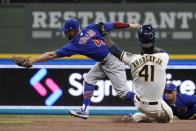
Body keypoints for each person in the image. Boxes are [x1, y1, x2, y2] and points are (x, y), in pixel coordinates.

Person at [12, 18, 140, 119]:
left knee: (123, 94)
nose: (65, 33)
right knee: (89, 79)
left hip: (112, 61)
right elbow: (113, 24)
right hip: (106, 59)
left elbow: (52, 55)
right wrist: (130, 25)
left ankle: (151, 102)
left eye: (66, 31)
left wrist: (31, 61)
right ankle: (84, 111)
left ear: (72, 30)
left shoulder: (76, 44)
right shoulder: (91, 27)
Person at [100, 24, 173, 123]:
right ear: (153, 40)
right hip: (156, 105)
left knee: (144, 102)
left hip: (139, 104)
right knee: (169, 118)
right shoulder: (164, 57)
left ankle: (137, 117)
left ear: (140, 42)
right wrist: (150, 44)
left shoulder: (132, 59)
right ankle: (141, 117)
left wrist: (104, 34)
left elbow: (114, 50)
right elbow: (160, 51)